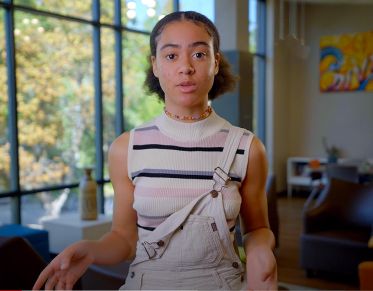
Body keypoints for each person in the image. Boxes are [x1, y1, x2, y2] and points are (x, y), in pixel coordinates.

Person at [33, 11, 277, 290]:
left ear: (216, 62)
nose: (185, 67)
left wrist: (260, 252)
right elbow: (124, 240)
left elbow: (258, 229)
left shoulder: (247, 147)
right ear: (155, 65)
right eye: (171, 56)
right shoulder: (127, 148)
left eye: (199, 54)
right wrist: (91, 250)